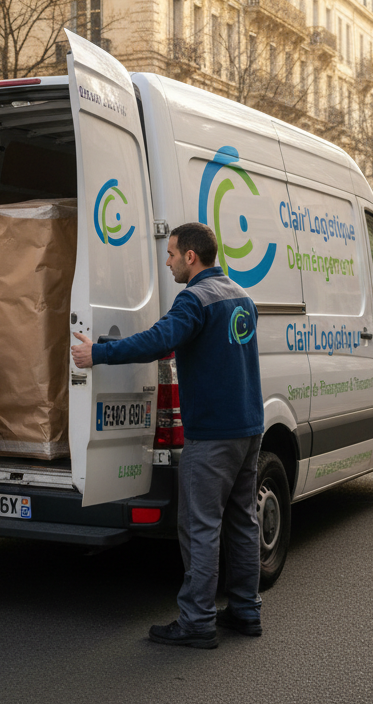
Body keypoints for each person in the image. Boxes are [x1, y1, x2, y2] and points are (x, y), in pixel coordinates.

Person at [71, 221, 264, 649]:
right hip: (249, 427)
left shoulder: (193, 300)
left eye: (172, 253)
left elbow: (160, 341)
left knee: (200, 526)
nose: (169, 261)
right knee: (242, 522)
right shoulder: (240, 295)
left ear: (191, 257)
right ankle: (246, 611)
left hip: (212, 434)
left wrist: (97, 353)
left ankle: (196, 622)